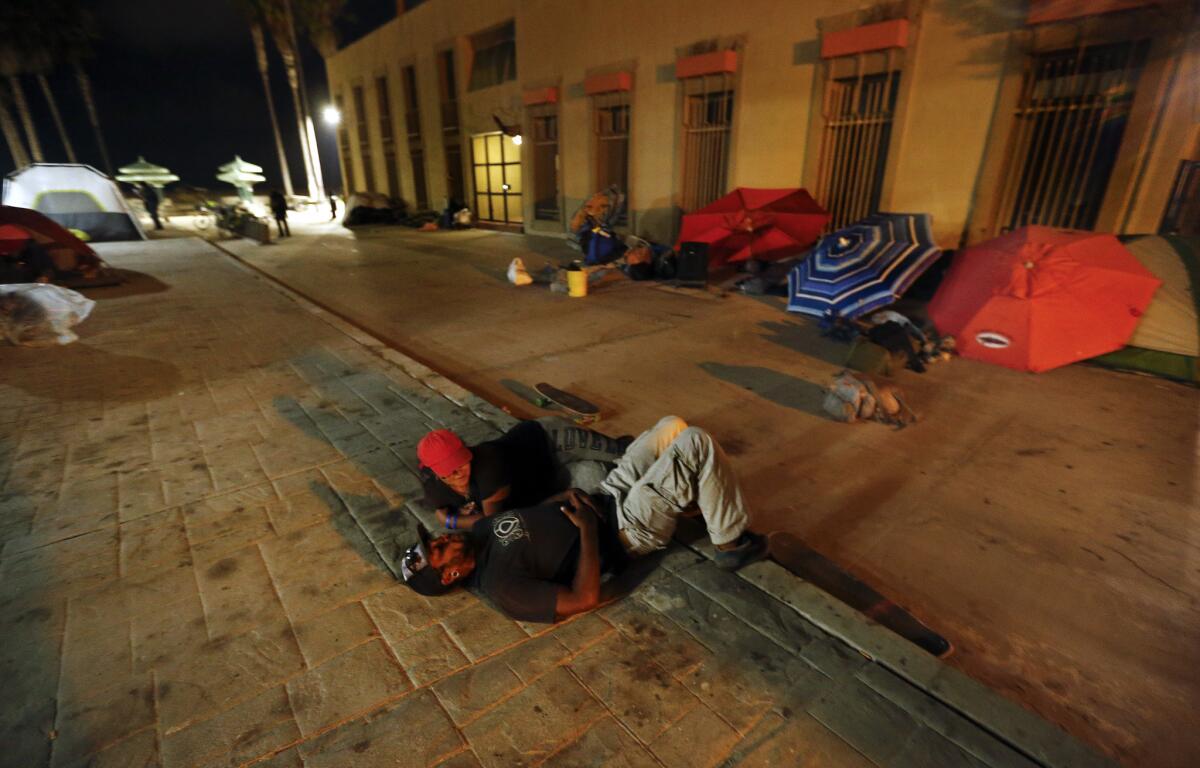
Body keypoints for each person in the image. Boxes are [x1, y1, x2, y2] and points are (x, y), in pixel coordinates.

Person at [401, 416, 769, 622]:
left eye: (433, 539)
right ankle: (730, 541)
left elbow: (520, 516)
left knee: (670, 427)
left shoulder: (479, 533)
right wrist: (590, 532)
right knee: (695, 442)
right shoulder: (503, 587)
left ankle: (695, 493)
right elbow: (584, 598)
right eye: (437, 549)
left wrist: (559, 498)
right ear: (450, 574)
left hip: (606, 495)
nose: (440, 539)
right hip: (626, 529)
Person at [417, 418, 627, 530]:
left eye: (460, 464)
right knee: (601, 476)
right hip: (548, 477)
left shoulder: (489, 465)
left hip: (551, 440)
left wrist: (451, 521)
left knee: (624, 454)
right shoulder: (435, 490)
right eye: (447, 473)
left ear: (467, 450)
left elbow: (495, 524)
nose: (456, 474)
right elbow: (439, 508)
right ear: (434, 473)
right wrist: (451, 513)